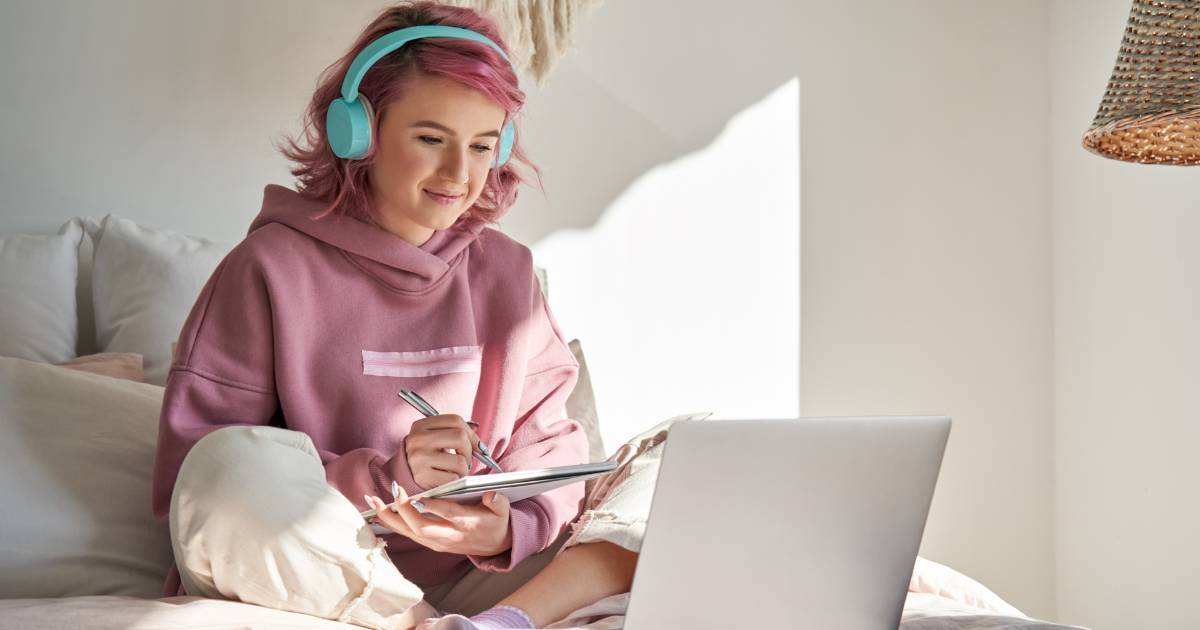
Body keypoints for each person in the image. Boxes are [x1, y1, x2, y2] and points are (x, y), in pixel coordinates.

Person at [150, 3, 663, 629]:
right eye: (431, 139)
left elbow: (551, 449)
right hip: (318, 570)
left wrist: (507, 530)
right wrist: (389, 478)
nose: (459, 174)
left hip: (480, 579)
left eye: (482, 146)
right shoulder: (268, 267)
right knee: (226, 466)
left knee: (674, 455)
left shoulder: (508, 270)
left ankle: (499, 624)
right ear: (358, 133)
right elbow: (196, 482)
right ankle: (420, 623)